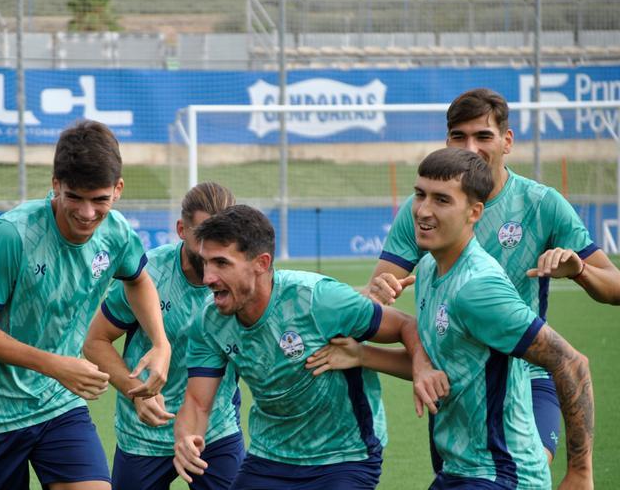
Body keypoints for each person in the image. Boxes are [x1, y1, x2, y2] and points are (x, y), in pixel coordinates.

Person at [365, 88, 620, 462]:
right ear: (447, 141)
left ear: (507, 141)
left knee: (523, 473)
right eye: (459, 136)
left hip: (527, 375)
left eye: (483, 136)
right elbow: (377, 301)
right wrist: (379, 291)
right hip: (458, 382)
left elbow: (614, 288)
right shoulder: (424, 206)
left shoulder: (540, 204)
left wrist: (579, 270)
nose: (471, 147)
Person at [327, 148, 594, 488]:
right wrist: (362, 355)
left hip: (501, 475)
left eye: (442, 200)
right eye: (419, 195)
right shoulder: (427, 269)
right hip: (460, 470)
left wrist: (580, 472)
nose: (423, 210)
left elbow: (572, 363)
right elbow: (452, 369)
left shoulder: (478, 288)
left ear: (474, 212)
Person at [0, 120, 171, 490]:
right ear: (56, 184)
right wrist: (57, 366)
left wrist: (160, 343)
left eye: (100, 199)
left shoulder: (117, 233)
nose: (87, 213)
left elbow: (139, 280)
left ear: (118, 190)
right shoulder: (12, 235)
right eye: (75, 197)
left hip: (59, 406)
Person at [172, 205, 447, 490]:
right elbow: (196, 402)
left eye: (221, 263)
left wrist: (422, 367)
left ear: (262, 263)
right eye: (206, 263)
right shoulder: (209, 320)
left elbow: (405, 325)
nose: (207, 278)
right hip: (270, 455)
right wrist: (185, 437)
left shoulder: (317, 300)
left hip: (344, 455)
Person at [83, 182, 244, 490]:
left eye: (224, 237)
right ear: (181, 229)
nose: (213, 248)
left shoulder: (241, 277)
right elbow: (95, 341)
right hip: (145, 434)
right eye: (203, 235)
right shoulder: (148, 275)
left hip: (214, 430)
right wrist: (136, 391)